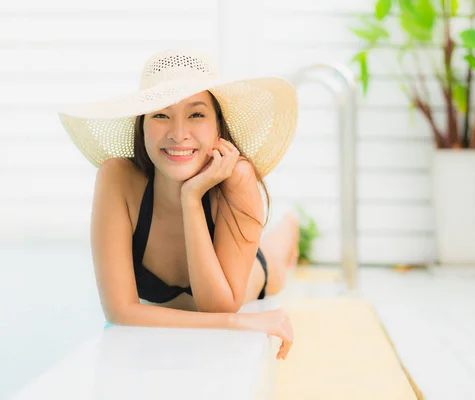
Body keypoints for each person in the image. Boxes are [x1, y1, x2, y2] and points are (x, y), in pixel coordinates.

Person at [58, 48, 299, 360]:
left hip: (255, 273)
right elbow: (119, 311)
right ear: (142, 125)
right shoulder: (117, 178)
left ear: (217, 127)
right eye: (160, 114)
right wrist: (241, 322)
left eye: (196, 114)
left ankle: (291, 227)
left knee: (276, 256)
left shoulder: (237, 179)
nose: (178, 134)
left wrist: (191, 199)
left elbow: (217, 307)